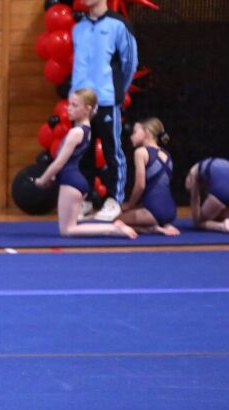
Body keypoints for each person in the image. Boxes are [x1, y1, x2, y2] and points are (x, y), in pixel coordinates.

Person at [34, 88, 137, 238]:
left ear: (87, 109)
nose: (69, 109)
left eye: (74, 105)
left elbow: (59, 163)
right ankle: (111, 226)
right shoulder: (86, 130)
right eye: (69, 104)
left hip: (71, 182)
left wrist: (42, 179)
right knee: (73, 223)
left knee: (68, 230)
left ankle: (114, 228)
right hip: (75, 180)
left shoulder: (76, 133)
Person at [71, 0, 138, 222]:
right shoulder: (78, 28)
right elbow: (78, 63)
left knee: (112, 152)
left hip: (107, 99)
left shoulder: (119, 25)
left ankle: (114, 200)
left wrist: (117, 90)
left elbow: (130, 62)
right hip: (81, 103)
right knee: (82, 153)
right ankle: (87, 200)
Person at [110, 118, 179, 236]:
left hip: (153, 210)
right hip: (171, 210)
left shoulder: (141, 152)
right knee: (133, 214)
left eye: (135, 132)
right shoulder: (166, 154)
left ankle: (155, 229)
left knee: (116, 222)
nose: (132, 136)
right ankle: (162, 224)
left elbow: (140, 186)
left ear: (146, 132)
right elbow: (158, 188)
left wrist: (130, 205)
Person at [186, 157, 229, 233]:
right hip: (222, 190)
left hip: (220, 192)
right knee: (218, 216)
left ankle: (223, 226)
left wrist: (196, 221)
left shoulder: (193, 173)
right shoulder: (215, 164)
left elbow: (195, 199)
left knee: (200, 222)